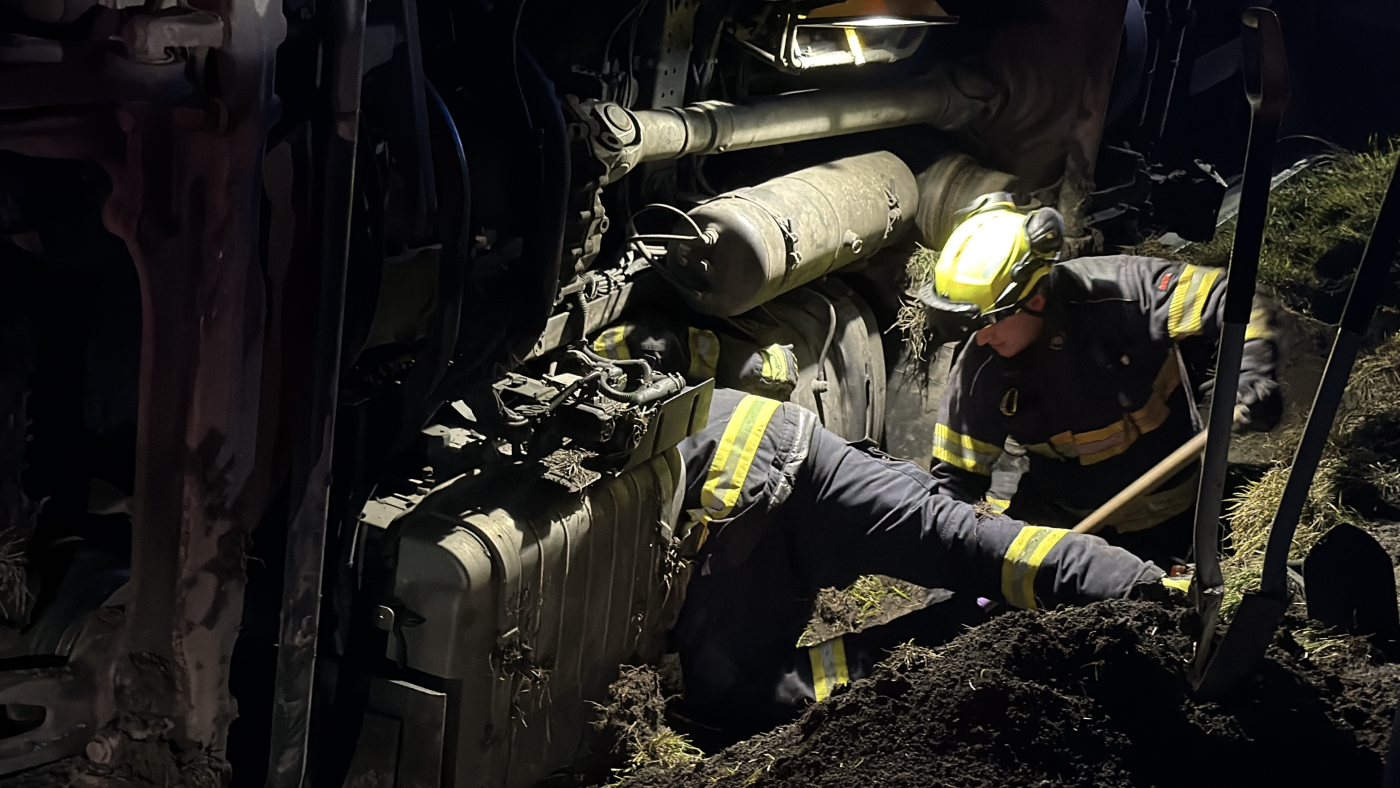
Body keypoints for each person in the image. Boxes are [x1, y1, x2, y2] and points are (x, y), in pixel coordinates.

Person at [666, 387, 1182, 736]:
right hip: (777, 435)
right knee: (968, 540)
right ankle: (1153, 593)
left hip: (734, 507)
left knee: (730, 698)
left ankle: (949, 643)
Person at [918, 193, 1281, 567]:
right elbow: (955, 481)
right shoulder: (982, 363)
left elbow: (1233, 298)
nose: (979, 339)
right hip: (1060, 521)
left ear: (1036, 299)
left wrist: (1251, 371)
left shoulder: (1124, 293)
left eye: (988, 321)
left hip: (1161, 508)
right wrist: (953, 554)